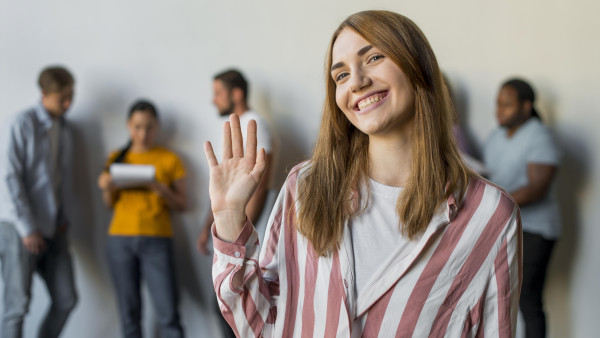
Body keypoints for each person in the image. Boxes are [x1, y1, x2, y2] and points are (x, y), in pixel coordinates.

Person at [204, 10, 522, 337]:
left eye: (373, 57)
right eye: (340, 75)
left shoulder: (490, 215)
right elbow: (261, 324)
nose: (356, 82)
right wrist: (229, 219)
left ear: (419, 67)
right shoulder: (305, 185)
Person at [0, 66, 78, 338]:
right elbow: (9, 178)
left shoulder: (66, 129)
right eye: (62, 99)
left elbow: (60, 180)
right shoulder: (21, 123)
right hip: (19, 229)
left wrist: (64, 217)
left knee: (66, 299)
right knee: (17, 307)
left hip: (55, 228)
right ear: (44, 94)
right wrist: (27, 228)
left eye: (71, 96)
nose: (68, 104)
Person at [98, 100, 186, 338]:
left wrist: (162, 190)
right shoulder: (117, 157)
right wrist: (106, 187)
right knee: (129, 315)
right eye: (137, 127)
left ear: (156, 126)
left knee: (168, 314)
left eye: (149, 127)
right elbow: (109, 205)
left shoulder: (169, 159)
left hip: (157, 238)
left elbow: (182, 204)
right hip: (119, 239)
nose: (143, 134)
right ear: (129, 126)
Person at [196, 69, 274, 338]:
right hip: (230, 230)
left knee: (236, 302)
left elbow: (258, 185)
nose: (213, 99)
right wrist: (209, 226)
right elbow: (223, 190)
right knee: (223, 300)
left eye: (218, 93)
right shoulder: (234, 126)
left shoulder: (253, 123)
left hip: (245, 232)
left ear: (236, 94)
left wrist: (239, 234)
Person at [484, 78, 560, 338]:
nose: (499, 110)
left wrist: (495, 204)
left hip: (535, 230)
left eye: (507, 104)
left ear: (526, 106)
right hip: (505, 226)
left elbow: (537, 188)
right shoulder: (496, 136)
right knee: (501, 298)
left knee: (527, 299)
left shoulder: (539, 135)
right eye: (498, 104)